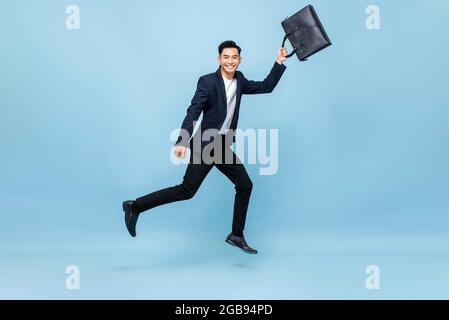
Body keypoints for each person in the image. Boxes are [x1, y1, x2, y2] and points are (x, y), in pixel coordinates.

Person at [123, 40, 288, 254]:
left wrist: (278, 62)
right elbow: (194, 111)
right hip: (206, 144)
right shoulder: (207, 82)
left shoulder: (240, 80)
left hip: (222, 146)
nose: (230, 61)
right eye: (226, 57)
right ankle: (135, 206)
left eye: (234, 57)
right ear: (219, 59)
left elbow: (266, 86)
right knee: (186, 190)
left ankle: (236, 235)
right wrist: (183, 140)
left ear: (240, 60)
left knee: (245, 185)